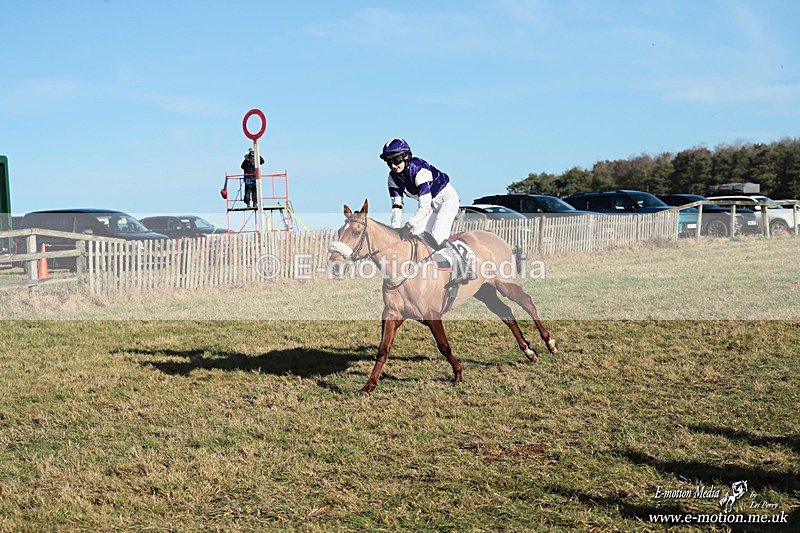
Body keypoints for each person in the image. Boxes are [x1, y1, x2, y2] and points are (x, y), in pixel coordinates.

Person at [380, 137, 474, 283]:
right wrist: (396, 229)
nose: (393, 165)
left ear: (406, 157)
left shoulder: (420, 169)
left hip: (446, 200)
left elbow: (423, 206)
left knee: (437, 236)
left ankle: (463, 267)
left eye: (396, 160)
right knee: (417, 236)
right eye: (389, 162)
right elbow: (397, 206)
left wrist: (409, 224)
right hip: (430, 204)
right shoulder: (392, 178)